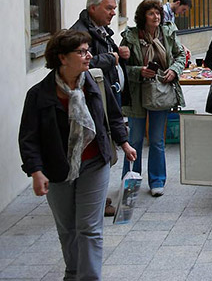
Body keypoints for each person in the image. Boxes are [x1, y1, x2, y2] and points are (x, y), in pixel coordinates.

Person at [19, 30, 137, 281]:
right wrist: (36, 171)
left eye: (88, 51)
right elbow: (29, 138)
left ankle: (89, 277)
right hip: (57, 167)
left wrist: (124, 143)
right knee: (67, 228)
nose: (88, 56)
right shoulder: (39, 95)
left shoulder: (94, 81)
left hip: (95, 163)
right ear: (63, 58)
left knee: (90, 227)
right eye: (82, 52)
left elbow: (113, 115)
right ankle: (73, 273)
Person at [70, 0, 129, 217]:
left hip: (106, 95)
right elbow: (86, 63)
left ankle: (96, 196)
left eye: (114, 8)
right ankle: (97, 199)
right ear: (92, 8)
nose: (113, 13)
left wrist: (117, 51)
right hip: (92, 101)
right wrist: (112, 58)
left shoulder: (99, 29)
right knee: (97, 150)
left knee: (105, 148)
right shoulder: (81, 32)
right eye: (109, 8)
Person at [120, 0, 185, 196]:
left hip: (161, 91)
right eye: (151, 13)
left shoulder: (168, 32)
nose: (156, 16)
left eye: (157, 13)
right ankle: (131, 179)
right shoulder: (130, 37)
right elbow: (121, 67)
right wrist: (139, 71)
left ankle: (157, 180)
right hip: (137, 93)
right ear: (143, 17)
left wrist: (174, 70)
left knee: (157, 139)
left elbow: (180, 55)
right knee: (135, 138)